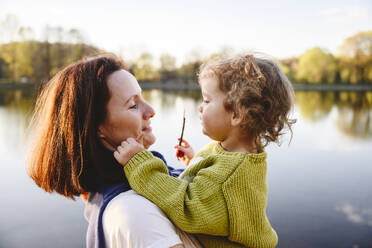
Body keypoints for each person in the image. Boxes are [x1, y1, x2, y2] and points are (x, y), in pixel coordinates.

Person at [114, 54, 296, 248]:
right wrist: (194, 163)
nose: (200, 108)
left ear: (236, 114)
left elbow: (187, 207)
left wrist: (139, 163)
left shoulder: (230, 175)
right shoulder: (235, 153)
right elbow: (213, 184)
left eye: (207, 101)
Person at [26, 54, 201, 248]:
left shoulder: (111, 194)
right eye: (133, 105)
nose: (151, 110)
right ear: (96, 127)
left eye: (143, 98)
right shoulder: (136, 214)